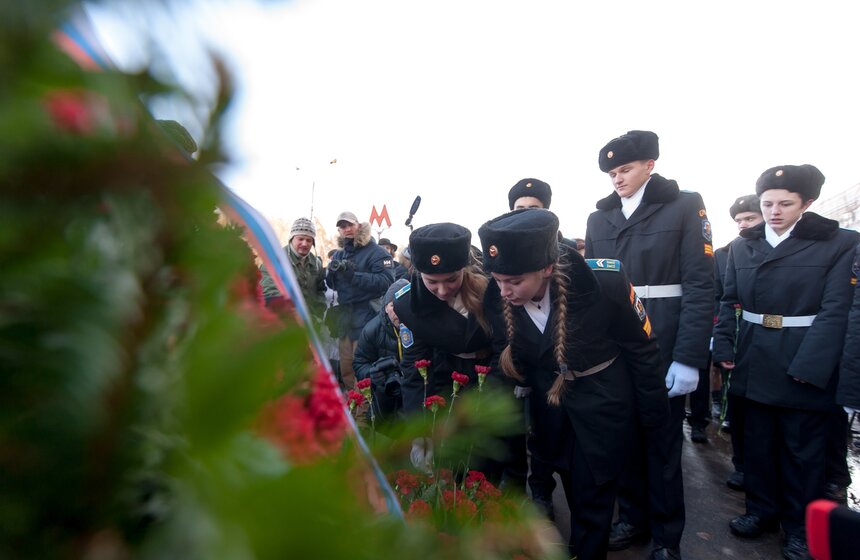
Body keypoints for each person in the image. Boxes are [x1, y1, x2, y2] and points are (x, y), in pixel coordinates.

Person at [479, 209, 669, 560]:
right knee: (565, 480)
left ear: (547, 268)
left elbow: (642, 349)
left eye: (515, 281)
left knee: (593, 497)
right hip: (550, 408)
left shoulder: (604, 282)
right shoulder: (497, 295)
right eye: (498, 280)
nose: (504, 291)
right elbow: (504, 356)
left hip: (602, 403)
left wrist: (654, 416)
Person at [713, 164, 859, 560]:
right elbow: (729, 301)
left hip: (805, 353)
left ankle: (799, 527)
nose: (774, 211)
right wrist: (724, 346)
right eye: (768, 203)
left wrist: (811, 367)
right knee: (757, 445)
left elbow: (836, 311)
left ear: (807, 203)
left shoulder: (839, 243)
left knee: (802, 453)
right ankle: (761, 510)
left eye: (785, 203)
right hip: (755, 355)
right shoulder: (743, 245)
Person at [586, 130, 714, 560]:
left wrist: (690, 357)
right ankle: (633, 518)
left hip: (664, 339)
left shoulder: (683, 205)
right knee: (622, 439)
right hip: (615, 345)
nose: (617, 179)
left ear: (650, 166)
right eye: (611, 172)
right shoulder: (599, 218)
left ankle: (666, 537)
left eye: (624, 169)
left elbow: (700, 282)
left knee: (661, 445)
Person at [394, 223, 524, 484]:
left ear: (464, 269)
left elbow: (503, 349)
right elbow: (415, 370)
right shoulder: (408, 305)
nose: (443, 291)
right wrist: (419, 430)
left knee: (490, 461)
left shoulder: (492, 292)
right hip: (445, 380)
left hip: (490, 378)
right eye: (432, 282)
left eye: (452, 279)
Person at [712, 194, 764, 491]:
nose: (744, 225)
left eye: (750, 218)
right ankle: (743, 465)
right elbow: (723, 297)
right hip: (739, 337)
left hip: (772, 338)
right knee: (741, 407)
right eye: (739, 220)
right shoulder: (727, 252)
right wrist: (722, 341)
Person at [326, 211, 395, 389]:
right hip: (346, 320)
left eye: (349, 225)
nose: (346, 229)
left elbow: (387, 281)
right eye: (342, 227)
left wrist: (354, 276)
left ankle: (364, 413)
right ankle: (354, 406)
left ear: (359, 225)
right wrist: (331, 276)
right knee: (346, 368)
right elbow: (333, 286)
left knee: (363, 369)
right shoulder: (339, 255)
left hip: (368, 317)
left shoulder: (377, 252)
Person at [353, 278, 410, 425]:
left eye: (404, 305)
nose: (398, 312)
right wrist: (372, 374)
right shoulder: (372, 329)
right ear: (385, 307)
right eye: (393, 306)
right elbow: (359, 362)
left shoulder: (423, 326)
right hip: (384, 392)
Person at [259, 217, 327, 323]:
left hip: (311, 323)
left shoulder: (316, 263)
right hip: (283, 323)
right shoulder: (275, 260)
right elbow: (268, 292)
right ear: (291, 239)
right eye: (300, 239)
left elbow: (320, 291)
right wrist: (291, 313)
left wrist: (318, 315)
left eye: (309, 240)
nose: (304, 244)